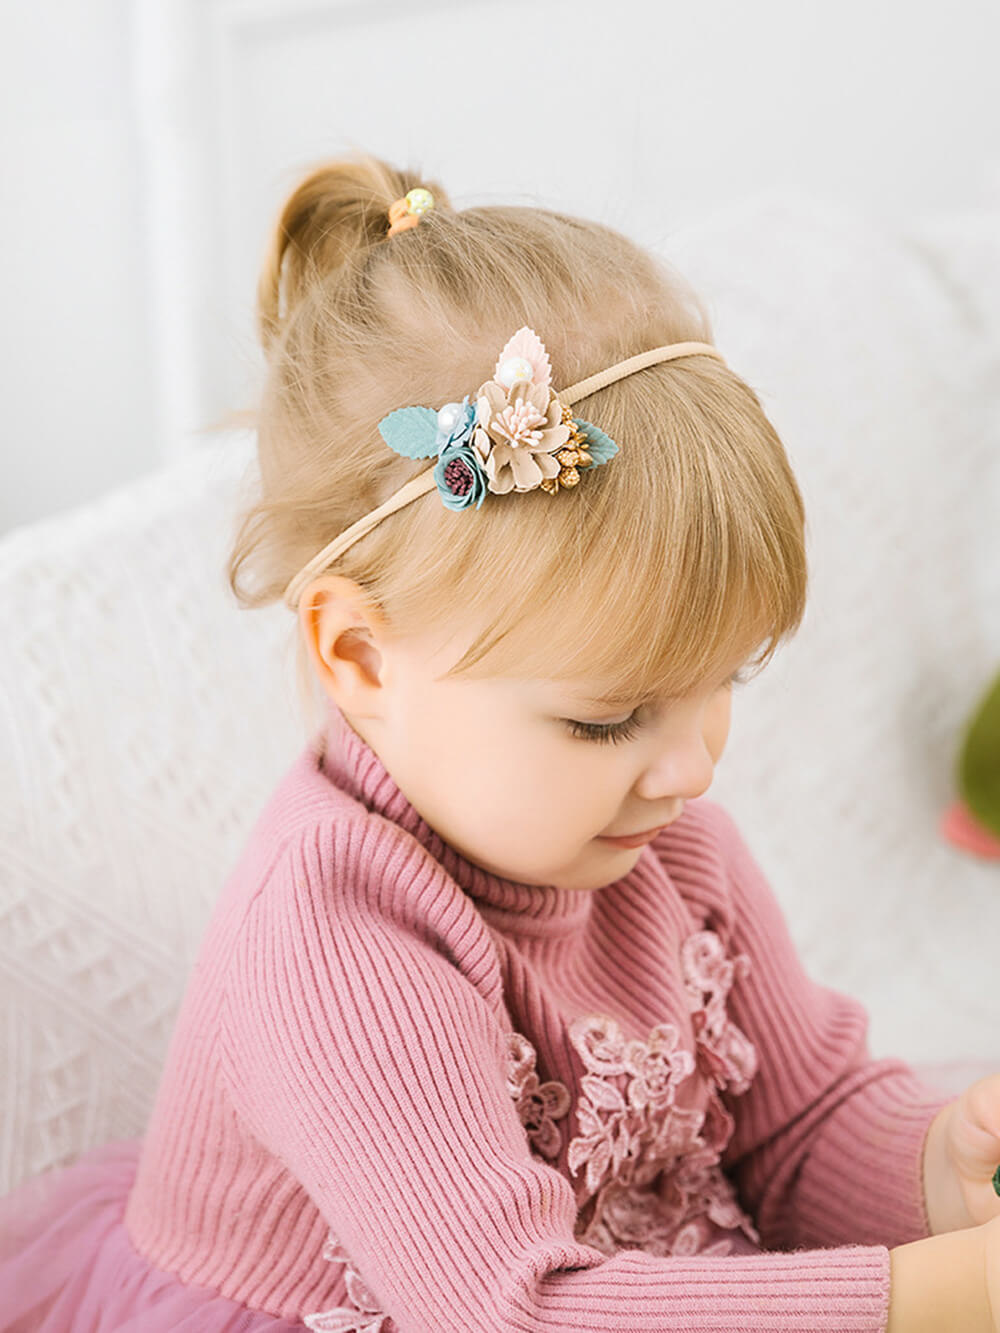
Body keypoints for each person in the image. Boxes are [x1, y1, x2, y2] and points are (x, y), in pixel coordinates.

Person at [2, 151, 999, 1333]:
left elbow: (797, 1127)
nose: (691, 770)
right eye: (607, 717)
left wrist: (943, 1161)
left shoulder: (670, 848)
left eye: (720, 682)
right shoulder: (339, 940)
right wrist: (918, 1300)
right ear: (361, 659)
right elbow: (509, 1312)